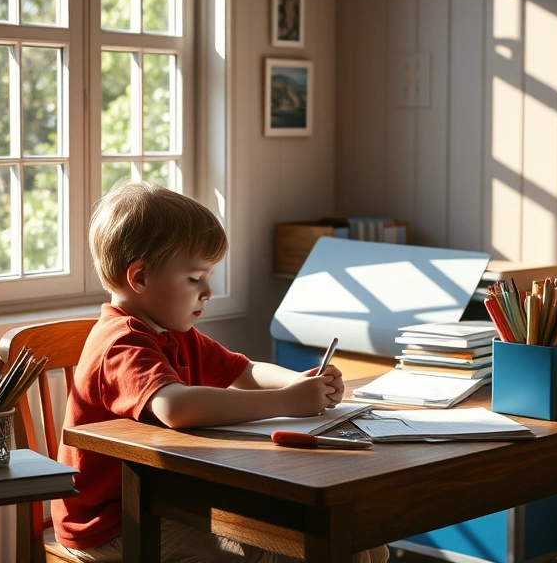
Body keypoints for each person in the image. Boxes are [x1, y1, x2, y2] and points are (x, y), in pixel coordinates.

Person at [52, 181, 388, 563]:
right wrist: (286, 401)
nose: (207, 291)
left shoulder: (177, 334)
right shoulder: (121, 343)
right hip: (115, 525)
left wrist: (298, 383)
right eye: (195, 279)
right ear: (141, 278)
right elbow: (175, 408)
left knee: (361, 543)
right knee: (304, 552)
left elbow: (244, 369)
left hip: (171, 500)